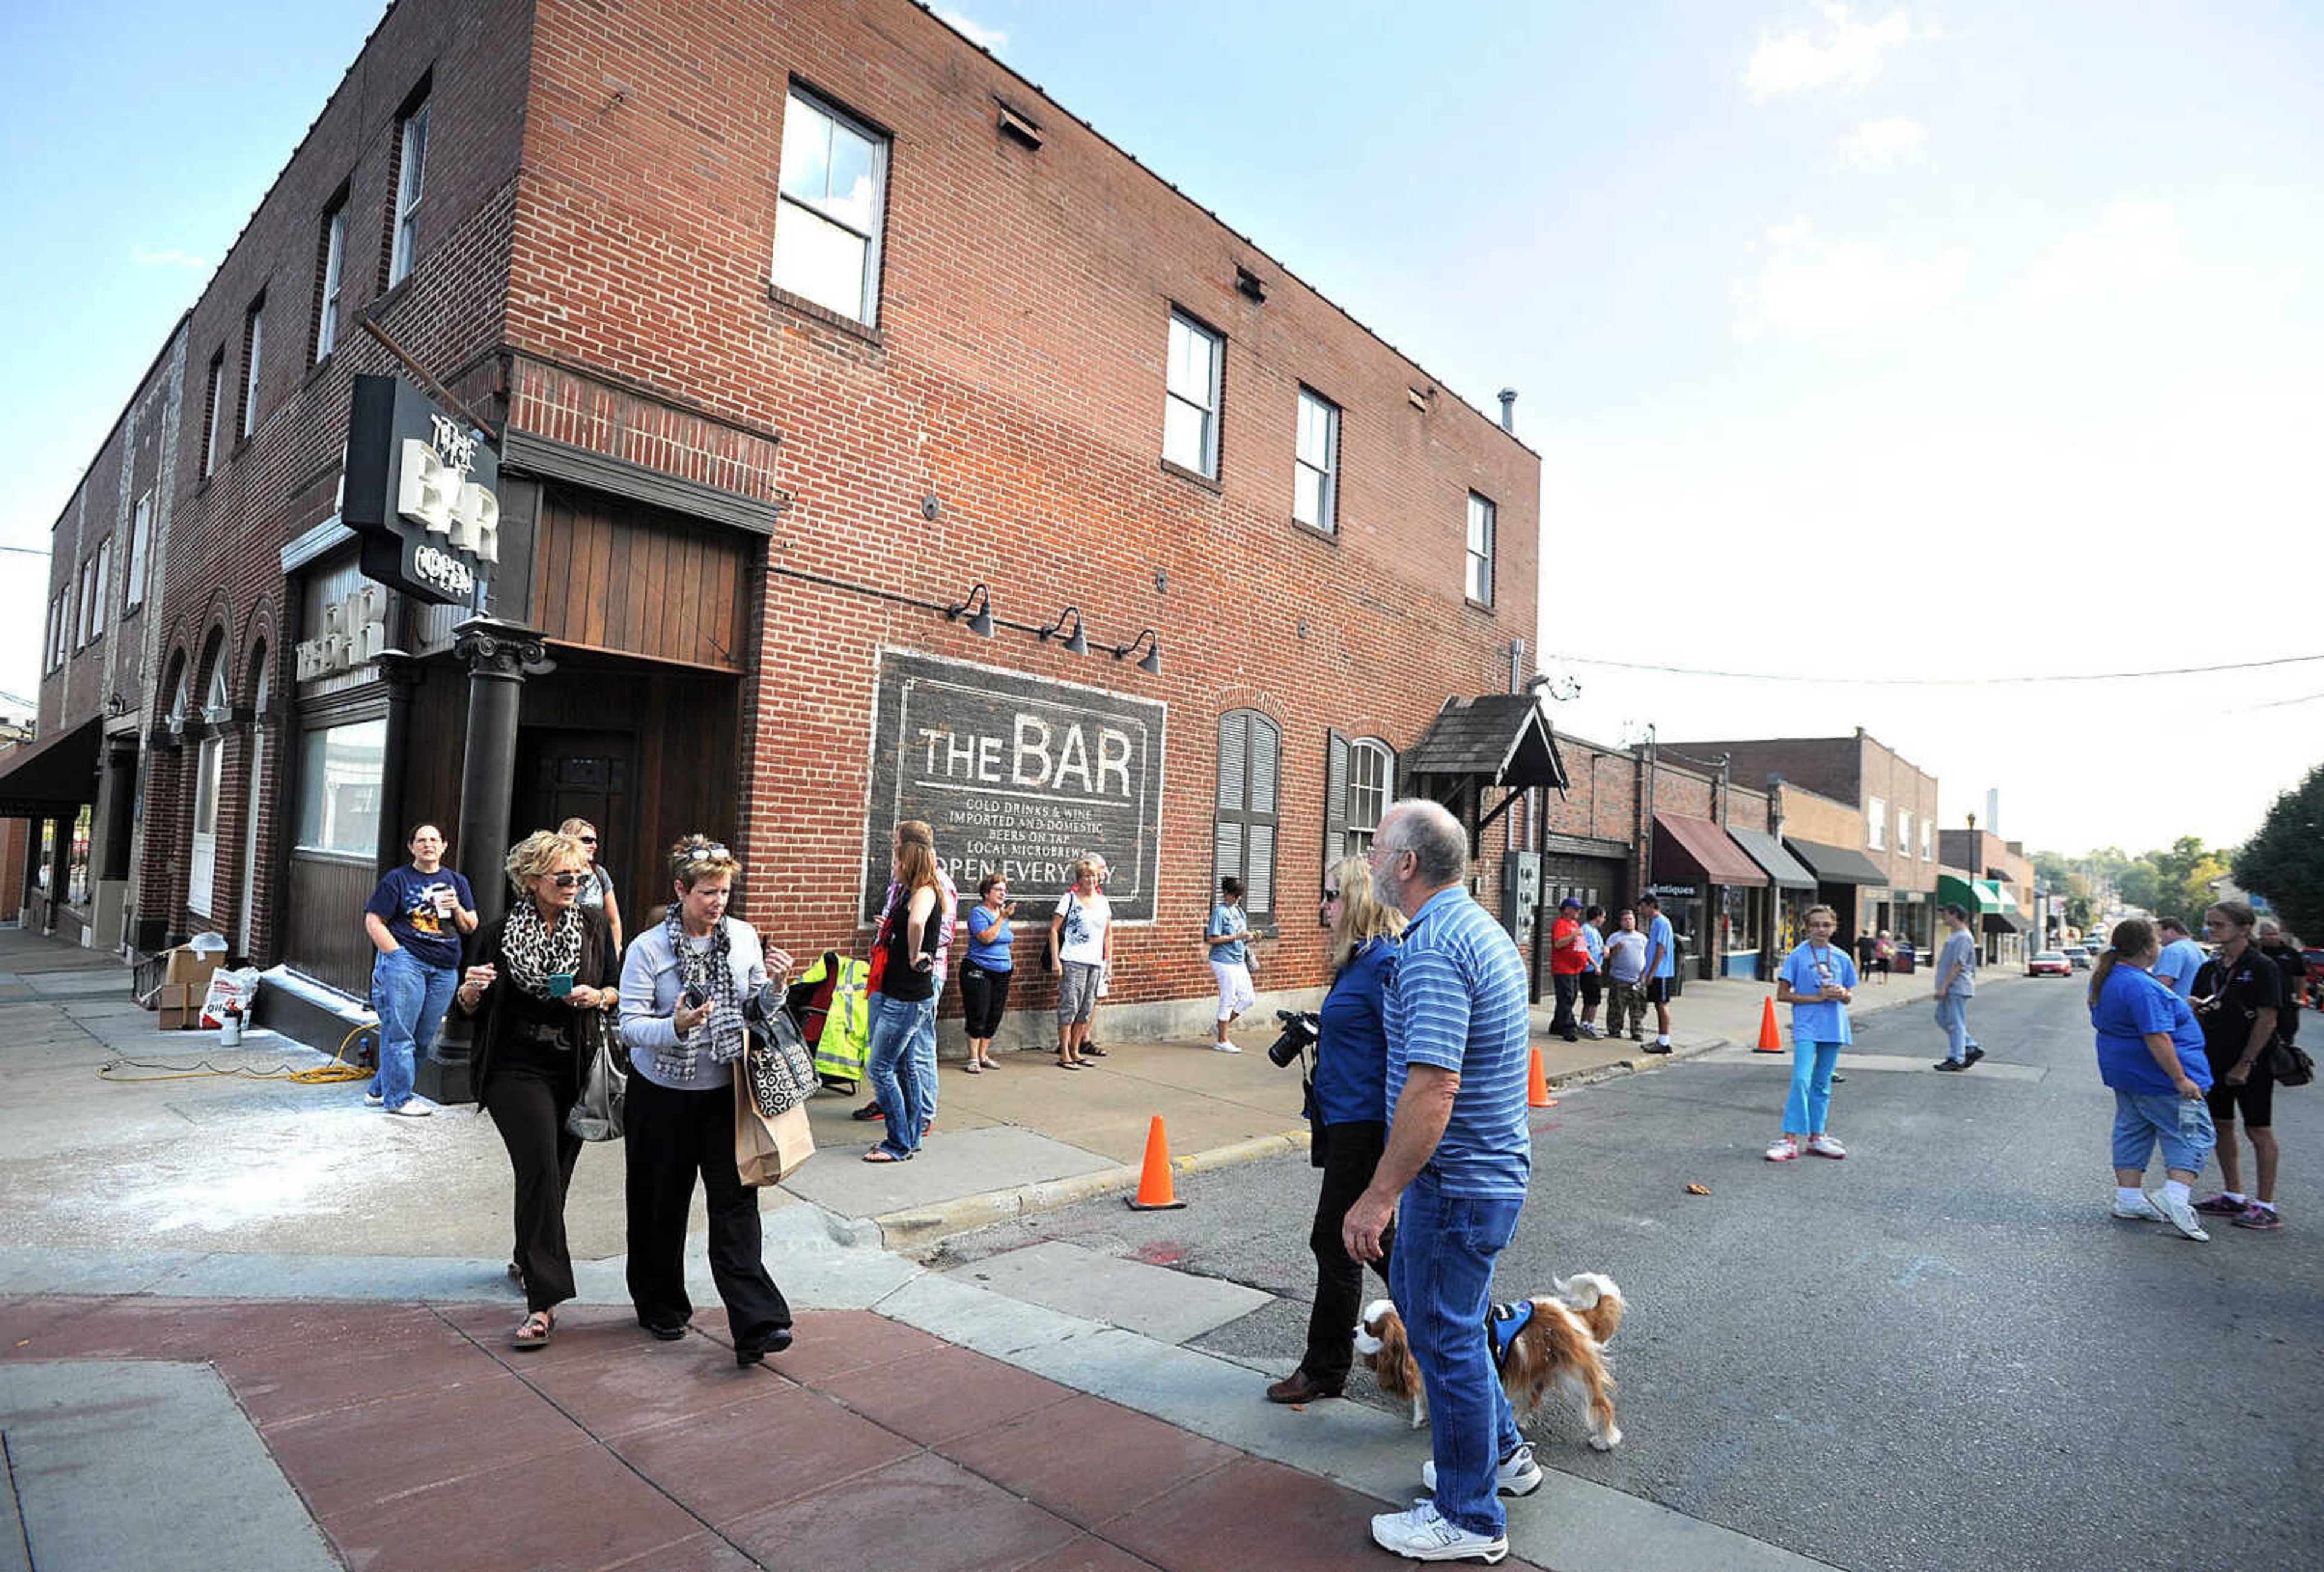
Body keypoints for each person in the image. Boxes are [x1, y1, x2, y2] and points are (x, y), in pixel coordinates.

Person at [1342, 800, 1534, 1565]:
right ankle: (1504, 1456)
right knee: (1452, 1328)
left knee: (1442, 1337)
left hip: (1455, 1182)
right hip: (1487, 1172)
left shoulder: (1429, 947)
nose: (1369, 860)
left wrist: (1378, 1194)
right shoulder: (1478, 929)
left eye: (1377, 847)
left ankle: (1469, 1515)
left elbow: (1434, 1087)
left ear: (1408, 863)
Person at [619, 835, 799, 1361]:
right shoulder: (648, 948)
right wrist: (674, 1026)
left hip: (725, 1092)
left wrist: (778, 986)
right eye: (707, 892)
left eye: (724, 891)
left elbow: (753, 1005)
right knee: (659, 1206)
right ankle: (661, 1305)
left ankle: (759, 1323)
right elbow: (627, 1025)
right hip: (661, 1096)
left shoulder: (743, 937)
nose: (718, 901)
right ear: (681, 890)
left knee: (737, 1206)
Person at [449, 829, 618, 1348]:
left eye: (579, 876)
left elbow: (618, 988)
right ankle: (544, 1301)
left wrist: (599, 996)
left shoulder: (592, 928)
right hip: (514, 1067)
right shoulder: (497, 934)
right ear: (531, 880)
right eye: (562, 876)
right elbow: (465, 1010)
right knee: (539, 1166)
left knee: (555, 1176)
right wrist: (470, 993)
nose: (573, 883)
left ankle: (528, 1256)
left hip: (573, 1065)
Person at [1266, 855, 1405, 1406]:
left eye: (1331, 895)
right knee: (1383, 1244)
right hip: (1342, 1119)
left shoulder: (1386, 964)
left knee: (1337, 1239)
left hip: (1366, 1126)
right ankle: (1462, 1336)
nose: (1323, 906)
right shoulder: (1357, 962)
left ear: (1359, 900)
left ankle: (1325, 1367)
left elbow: (1402, 1047)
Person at [2088, 918, 2216, 1241]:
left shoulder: (2112, 977)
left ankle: (2129, 1198)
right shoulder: (2141, 985)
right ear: (2147, 949)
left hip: (2129, 1074)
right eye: (2158, 942)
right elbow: (2156, 1035)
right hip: (2160, 1078)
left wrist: (2178, 1006)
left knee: (2134, 1129)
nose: (2161, 947)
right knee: (2193, 1132)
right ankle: (2174, 1196)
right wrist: (2181, 1079)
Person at [361, 822, 478, 1116]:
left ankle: (379, 1090)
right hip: (407, 962)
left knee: (423, 1040)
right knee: (400, 1034)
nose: (429, 845)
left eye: (434, 840)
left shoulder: (456, 881)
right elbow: (374, 922)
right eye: (422, 840)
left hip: (445, 968)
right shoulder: (397, 880)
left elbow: (471, 926)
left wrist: (456, 908)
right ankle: (398, 1099)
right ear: (412, 847)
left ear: (444, 846)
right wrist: (397, 956)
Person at [2190, 901, 2283, 1231]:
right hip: (2214, 1057)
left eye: (2218, 925)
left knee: (2258, 1129)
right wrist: (2195, 1009)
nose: (2211, 930)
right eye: (2209, 924)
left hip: (2252, 1060)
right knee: (2221, 1124)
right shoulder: (2210, 967)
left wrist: (2247, 1062)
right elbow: (2201, 1007)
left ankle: (2266, 1205)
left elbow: (2268, 1018)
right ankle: (2234, 1195)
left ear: (2244, 928)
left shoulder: (2261, 966)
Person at [861, 825, 946, 1159]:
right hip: (903, 993)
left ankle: (897, 1143)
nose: (892, 865)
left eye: (896, 858)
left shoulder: (924, 891)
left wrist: (914, 956)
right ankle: (910, 1139)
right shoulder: (913, 890)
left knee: (880, 1067)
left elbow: (916, 924)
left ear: (907, 860)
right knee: (905, 1067)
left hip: (907, 996)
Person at [1768, 904, 1858, 1162]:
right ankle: (1789, 1139)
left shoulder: (1842, 957)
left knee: (1822, 1084)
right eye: (1816, 925)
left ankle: (1818, 1137)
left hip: (1834, 1027)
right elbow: (1783, 994)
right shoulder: (1797, 956)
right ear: (1807, 927)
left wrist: (1843, 994)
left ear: (1834, 927)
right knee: (1801, 1080)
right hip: (1807, 1026)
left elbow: (1850, 996)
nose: (1821, 930)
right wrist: (1817, 997)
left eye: (1826, 925)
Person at [1049, 857, 1111, 1069]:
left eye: (1093, 875)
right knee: (1070, 1006)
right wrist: (1056, 960)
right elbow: (1054, 930)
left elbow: (1108, 934)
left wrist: (1107, 961)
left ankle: (1076, 1050)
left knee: (1086, 1008)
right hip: (1073, 959)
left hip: (1095, 961)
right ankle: (1064, 1052)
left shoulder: (1103, 902)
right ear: (1079, 878)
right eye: (1085, 875)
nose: (1090, 879)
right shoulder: (1069, 899)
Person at [959, 873, 1016, 1073]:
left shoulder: (1002, 915)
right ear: (986, 893)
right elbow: (986, 938)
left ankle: (984, 1055)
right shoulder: (978, 914)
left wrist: (1002, 917)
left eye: (1004, 890)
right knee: (978, 1012)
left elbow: (1005, 939)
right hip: (978, 969)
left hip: (1002, 972)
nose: (1003, 893)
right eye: (998, 890)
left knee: (994, 1014)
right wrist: (1002, 918)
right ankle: (973, 1058)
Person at [1931, 903, 1984, 1071]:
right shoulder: (1957, 935)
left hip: (1957, 986)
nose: (1942, 917)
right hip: (1952, 986)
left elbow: (1958, 964)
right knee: (1942, 1017)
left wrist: (1944, 987)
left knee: (1955, 1022)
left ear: (1954, 915)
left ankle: (1957, 1058)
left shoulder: (1963, 937)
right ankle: (1970, 1046)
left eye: (1945, 914)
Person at [559, 816, 625, 954]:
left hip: (595, 952)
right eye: (587, 840)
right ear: (569, 840)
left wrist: (615, 952)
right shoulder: (557, 873)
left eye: (595, 841)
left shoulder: (600, 873)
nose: (594, 846)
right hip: (564, 948)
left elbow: (614, 920)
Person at [1206, 875, 1255, 1052]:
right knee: (1228, 998)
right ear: (1226, 893)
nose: (1237, 899)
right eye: (1235, 895)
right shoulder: (1220, 912)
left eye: (1239, 896)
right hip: (1222, 960)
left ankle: (1220, 1025)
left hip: (1238, 959)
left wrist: (1250, 937)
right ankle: (1222, 1040)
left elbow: (1241, 935)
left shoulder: (1239, 911)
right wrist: (1237, 937)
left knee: (1248, 998)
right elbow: (1212, 939)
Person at [1638, 894, 1676, 1053]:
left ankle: (1664, 1042)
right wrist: (1644, 971)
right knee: (1657, 1004)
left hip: (1662, 972)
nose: (1641, 910)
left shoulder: (1662, 923)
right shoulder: (1655, 923)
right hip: (1655, 971)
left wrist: (1652, 973)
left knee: (1661, 1005)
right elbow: (1651, 949)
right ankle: (1661, 1039)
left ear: (1652, 905)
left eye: (1643, 907)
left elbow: (1661, 949)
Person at [1604, 910, 1649, 1041]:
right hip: (1620, 978)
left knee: (1638, 1007)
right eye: (1625, 920)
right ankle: (1615, 1029)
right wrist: (1614, 950)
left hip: (1638, 979)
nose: (1628, 922)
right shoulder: (1615, 937)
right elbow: (1607, 956)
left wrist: (1645, 974)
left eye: (1631, 919)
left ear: (1635, 921)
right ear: (1621, 922)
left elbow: (1648, 956)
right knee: (1617, 1006)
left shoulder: (1642, 938)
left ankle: (1637, 1031)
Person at [1546, 897, 1586, 1042]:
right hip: (1563, 968)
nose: (1579, 912)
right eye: (1576, 909)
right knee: (1566, 998)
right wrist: (1574, 935)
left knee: (1570, 997)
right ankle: (1569, 1028)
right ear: (1567, 910)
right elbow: (1558, 944)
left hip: (1575, 969)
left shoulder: (1575, 924)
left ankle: (1557, 1025)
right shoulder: (1560, 924)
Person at [2152, 916, 2206, 998]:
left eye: (2158, 932)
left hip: (2174, 1005)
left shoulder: (2173, 950)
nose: (2156, 937)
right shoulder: (2196, 949)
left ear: (2171, 931)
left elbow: (2163, 983)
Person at [1576, 905, 1607, 1039]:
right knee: (1594, 1000)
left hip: (1593, 968)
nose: (1604, 920)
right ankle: (1589, 1026)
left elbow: (1597, 947)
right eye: (1603, 917)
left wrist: (1605, 949)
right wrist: (1595, 965)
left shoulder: (1594, 931)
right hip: (1589, 970)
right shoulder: (1587, 930)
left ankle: (1583, 1024)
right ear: (1598, 917)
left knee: (1589, 1000)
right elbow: (1585, 950)